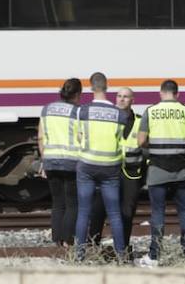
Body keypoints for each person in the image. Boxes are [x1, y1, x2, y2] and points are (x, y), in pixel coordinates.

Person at [137, 79, 185, 266]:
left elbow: (140, 141)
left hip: (158, 169)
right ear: (177, 94)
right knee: (184, 211)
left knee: (158, 212)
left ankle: (154, 257)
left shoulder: (151, 111)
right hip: (182, 171)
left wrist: (156, 145)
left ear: (161, 93)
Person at [73, 72, 132, 262]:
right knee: (114, 213)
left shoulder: (82, 111)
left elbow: (78, 137)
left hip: (87, 165)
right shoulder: (120, 114)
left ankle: (79, 256)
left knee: (83, 212)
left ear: (91, 87)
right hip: (110, 168)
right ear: (107, 87)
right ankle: (121, 256)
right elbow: (120, 139)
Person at [88, 87, 144, 247]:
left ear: (133, 100)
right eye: (119, 96)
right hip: (108, 169)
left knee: (127, 212)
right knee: (98, 209)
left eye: (126, 97)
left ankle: (123, 248)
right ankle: (92, 245)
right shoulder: (107, 119)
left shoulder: (141, 121)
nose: (121, 99)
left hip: (131, 174)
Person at [38, 77, 82, 247]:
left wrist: (44, 159)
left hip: (50, 161)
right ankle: (68, 240)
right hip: (71, 162)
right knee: (72, 203)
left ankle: (57, 240)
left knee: (57, 203)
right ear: (78, 94)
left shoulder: (46, 109)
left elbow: (41, 136)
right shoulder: (77, 112)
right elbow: (80, 137)